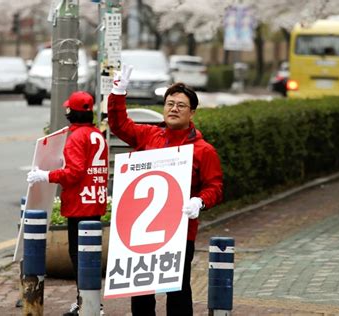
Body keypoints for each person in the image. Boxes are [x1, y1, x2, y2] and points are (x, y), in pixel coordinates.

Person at [107, 65, 223, 316]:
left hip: (179, 232)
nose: (173, 109)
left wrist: (199, 202)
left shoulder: (203, 150)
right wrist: (118, 93)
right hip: (141, 233)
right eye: (170, 103)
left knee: (178, 290)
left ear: (192, 112)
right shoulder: (149, 135)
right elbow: (119, 125)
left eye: (181, 105)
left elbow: (215, 187)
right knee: (140, 291)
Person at [26, 91, 108, 316]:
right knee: (89, 255)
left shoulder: (76, 137)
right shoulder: (96, 134)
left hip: (80, 204)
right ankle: (88, 302)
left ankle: (90, 306)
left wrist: (46, 175)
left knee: (79, 256)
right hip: (95, 200)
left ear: (71, 112)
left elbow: (73, 173)